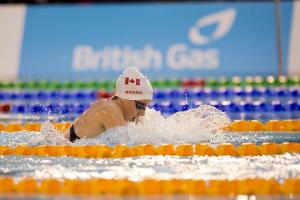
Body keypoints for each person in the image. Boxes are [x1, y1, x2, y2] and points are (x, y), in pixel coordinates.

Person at [64, 67, 153, 142]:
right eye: (140, 106)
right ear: (125, 99)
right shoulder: (108, 109)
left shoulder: (130, 113)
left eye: (145, 107)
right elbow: (125, 145)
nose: (142, 113)